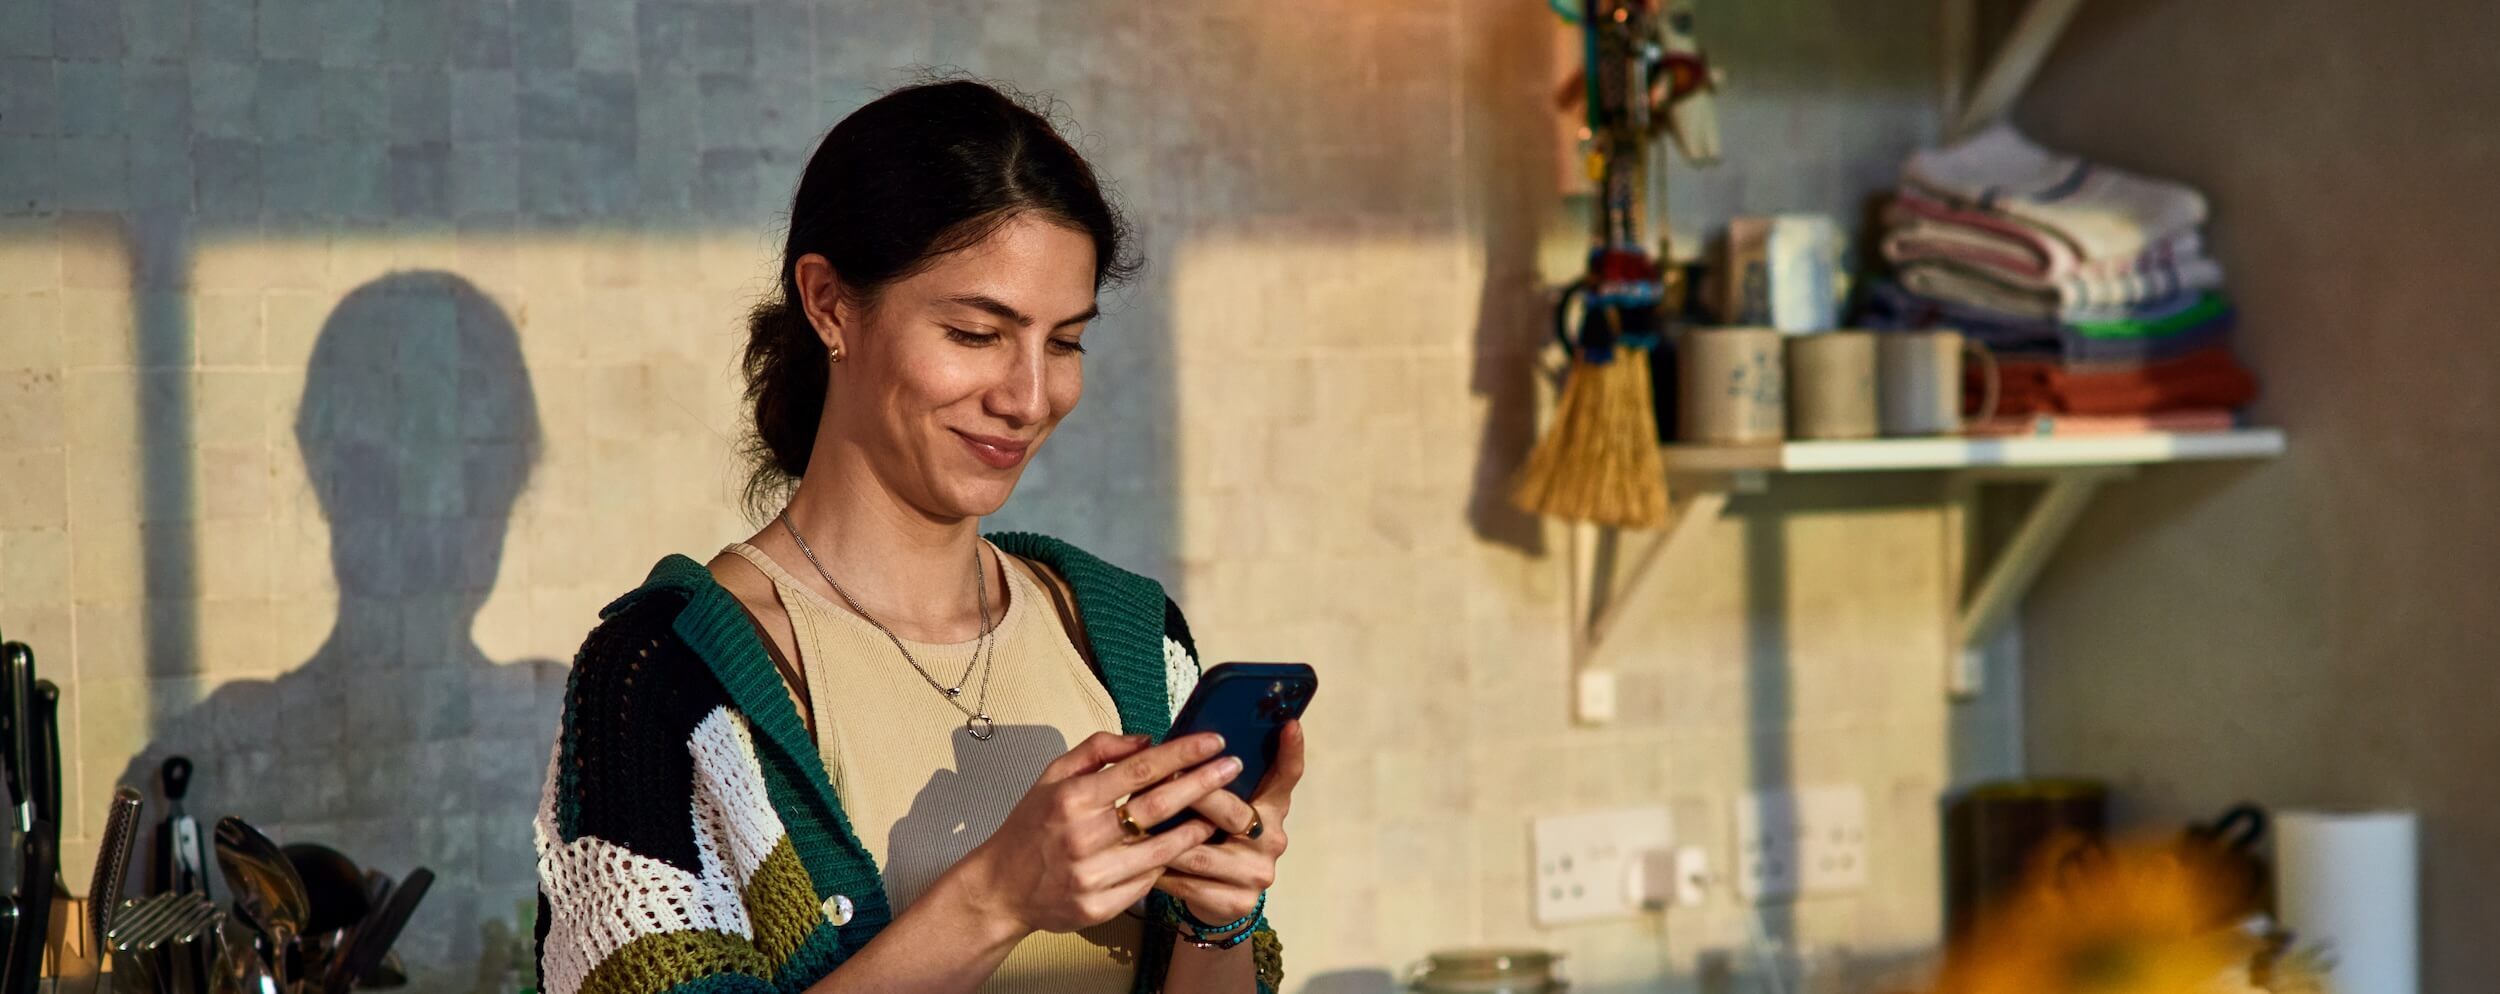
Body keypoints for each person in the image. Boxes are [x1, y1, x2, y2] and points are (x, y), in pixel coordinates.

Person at [531, 79, 1295, 994]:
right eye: (977, 332)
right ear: (829, 305)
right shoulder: (663, 676)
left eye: (1065, 343)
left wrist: (1218, 921)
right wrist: (996, 899)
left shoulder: (1131, 643)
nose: (1028, 397)